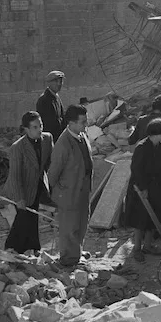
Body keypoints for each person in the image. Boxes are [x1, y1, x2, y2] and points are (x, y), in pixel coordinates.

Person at [0, 111, 54, 255]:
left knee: (33, 215)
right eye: (35, 127)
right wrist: (19, 198)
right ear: (26, 129)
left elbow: (50, 162)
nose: (39, 130)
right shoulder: (18, 147)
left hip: (38, 184)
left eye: (40, 125)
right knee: (23, 216)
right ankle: (12, 247)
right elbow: (15, 176)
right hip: (22, 186)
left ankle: (33, 246)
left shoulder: (47, 139)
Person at [47, 104, 94, 269]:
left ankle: (77, 253)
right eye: (83, 122)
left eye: (86, 121)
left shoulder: (82, 135)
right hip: (68, 192)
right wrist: (49, 196)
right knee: (69, 226)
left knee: (81, 222)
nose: (86, 124)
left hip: (83, 189)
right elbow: (53, 172)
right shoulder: (63, 143)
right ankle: (68, 260)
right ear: (71, 123)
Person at [124, 118, 161, 262]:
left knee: (154, 216)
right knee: (141, 219)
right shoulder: (142, 147)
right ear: (156, 133)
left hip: (157, 187)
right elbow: (136, 170)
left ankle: (148, 245)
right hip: (141, 188)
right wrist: (143, 188)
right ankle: (137, 248)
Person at [36, 70, 66, 142]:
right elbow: (48, 123)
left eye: (60, 81)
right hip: (51, 139)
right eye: (56, 81)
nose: (59, 84)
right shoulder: (44, 100)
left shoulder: (57, 97)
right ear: (49, 83)